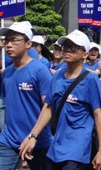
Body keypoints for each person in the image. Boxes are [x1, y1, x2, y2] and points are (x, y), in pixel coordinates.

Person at [19, 29, 101, 170]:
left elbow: (98, 114)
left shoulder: (91, 80)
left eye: (74, 47)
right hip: (56, 146)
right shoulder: (57, 77)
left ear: (85, 54)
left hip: (78, 149)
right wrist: (33, 136)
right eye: (66, 46)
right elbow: (48, 108)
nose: (67, 50)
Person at [0, 21, 52, 170]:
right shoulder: (7, 73)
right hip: (8, 140)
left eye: (14, 40)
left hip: (38, 142)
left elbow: (48, 107)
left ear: (28, 44)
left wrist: (33, 136)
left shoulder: (40, 71)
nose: (8, 45)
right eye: (6, 40)